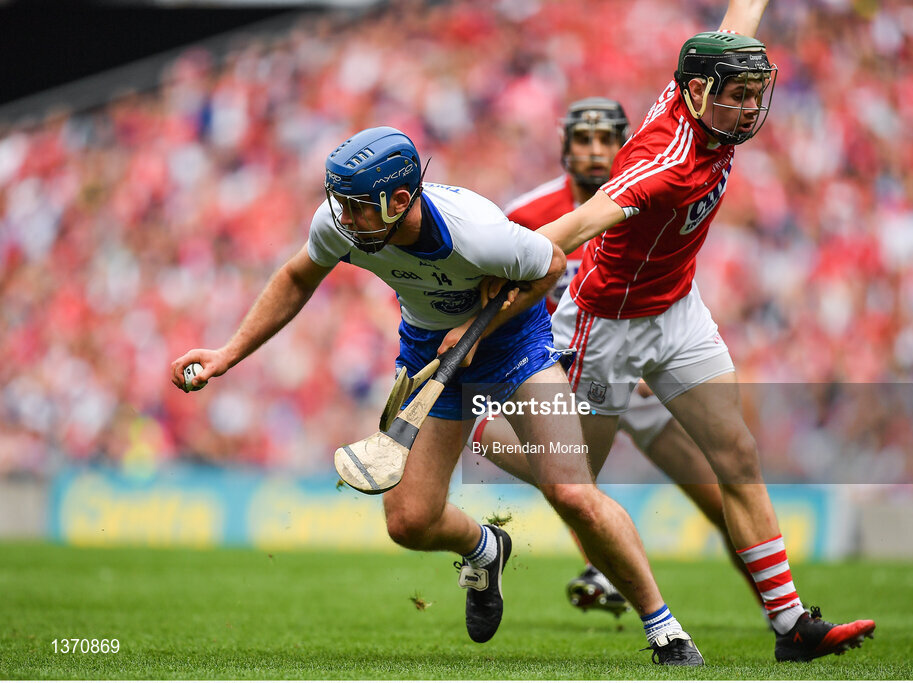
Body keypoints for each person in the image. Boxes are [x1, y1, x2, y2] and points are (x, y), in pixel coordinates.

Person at [171, 126, 704, 665]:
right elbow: (296, 277)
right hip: (429, 353)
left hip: (516, 347)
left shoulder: (478, 233)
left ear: (400, 200)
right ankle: (486, 548)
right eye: (340, 204)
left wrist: (477, 328)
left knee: (571, 492)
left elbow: (548, 267)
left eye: (357, 207)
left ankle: (665, 629)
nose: (344, 218)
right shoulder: (340, 224)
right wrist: (228, 353)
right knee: (409, 522)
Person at [529, 3, 877, 663]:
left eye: (754, 94)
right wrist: (506, 267)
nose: (749, 109)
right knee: (575, 484)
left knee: (738, 454)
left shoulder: (703, 89)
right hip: (605, 326)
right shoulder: (663, 163)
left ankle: (791, 625)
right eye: (736, 96)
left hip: (678, 310)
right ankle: (494, 464)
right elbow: (576, 226)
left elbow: (738, 17)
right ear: (696, 92)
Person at [471, 96, 763, 618]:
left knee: (718, 500)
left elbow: (672, 278)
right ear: (565, 147)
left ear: (625, 144)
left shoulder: (653, 187)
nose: (595, 151)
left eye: (606, 140)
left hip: (643, 370)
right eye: (583, 140)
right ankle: (604, 571)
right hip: (570, 366)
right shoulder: (526, 215)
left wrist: (656, 355)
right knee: (566, 478)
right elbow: (495, 296)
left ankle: (779, 612)